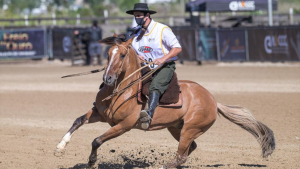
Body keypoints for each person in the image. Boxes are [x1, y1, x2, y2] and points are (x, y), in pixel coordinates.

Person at [126, 3, 182, 129]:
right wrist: (137, 56)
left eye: (139, 15)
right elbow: (132, 49)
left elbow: (177, 48)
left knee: (154, 87)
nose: (137, 18)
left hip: (165, 67)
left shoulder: (162, 29)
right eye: (135, 16)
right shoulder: (136, 34)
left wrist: (163, 59)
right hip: (145, 67)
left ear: (147, 15)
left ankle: (148, 115)